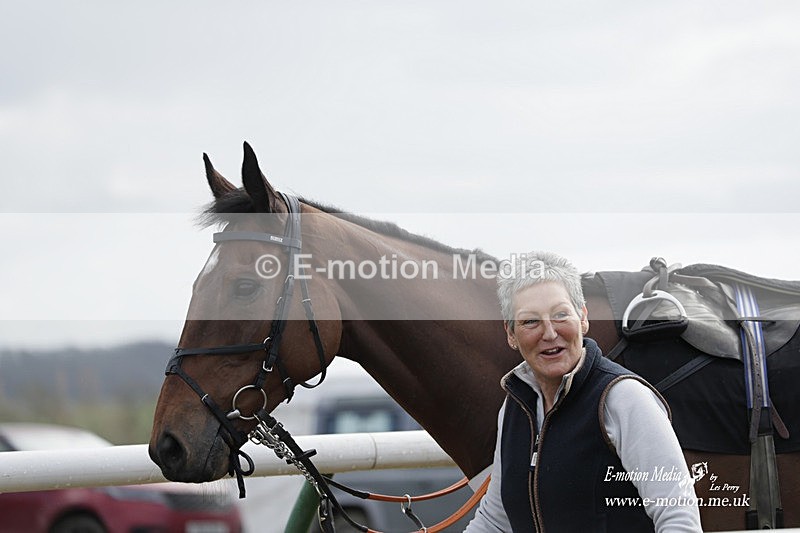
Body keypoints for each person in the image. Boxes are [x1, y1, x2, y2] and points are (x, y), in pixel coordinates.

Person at [465, 251, 702, 532]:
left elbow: (677, 516)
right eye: (530, 321)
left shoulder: (623, 398)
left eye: (561, 314)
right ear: (511, 334)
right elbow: (495, 521)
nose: (550, 333)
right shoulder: (515, 407)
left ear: (583, 317)